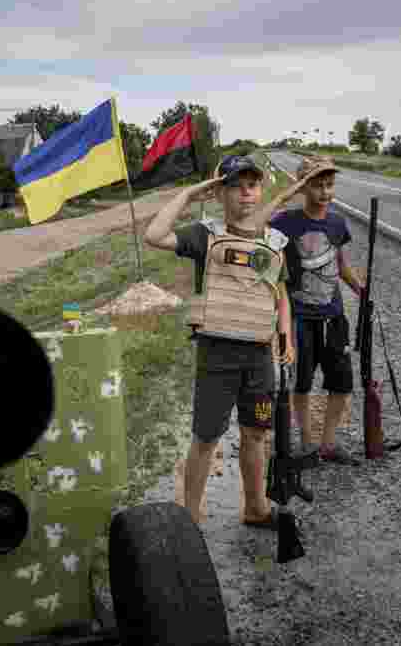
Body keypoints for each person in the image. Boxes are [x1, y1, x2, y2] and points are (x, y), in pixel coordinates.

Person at [143, 155, 295, 528]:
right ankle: (190, 519)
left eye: (253, 184)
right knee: (207, 438)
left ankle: (256, 507)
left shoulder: (273, 241)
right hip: (217, 358)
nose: (247, 190)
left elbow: (280, 292)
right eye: (236, 184)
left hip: (259, 358)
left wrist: (285, 335)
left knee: (256, 434)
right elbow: (154, 235)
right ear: (220, 192)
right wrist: (192, 193)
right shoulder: (205, 234)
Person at [266, 155, 365, 466]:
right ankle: (308, 443)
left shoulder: (337, 223)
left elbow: (340, 264)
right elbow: (258, 227)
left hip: (333, 316)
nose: (325, 192)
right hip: (298, 318)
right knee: (302, 384)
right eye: (318, 186)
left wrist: (360, 289)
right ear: (303, 187)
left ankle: (328, 443)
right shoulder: (285, 221)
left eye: (329, 185)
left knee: (342, 383)